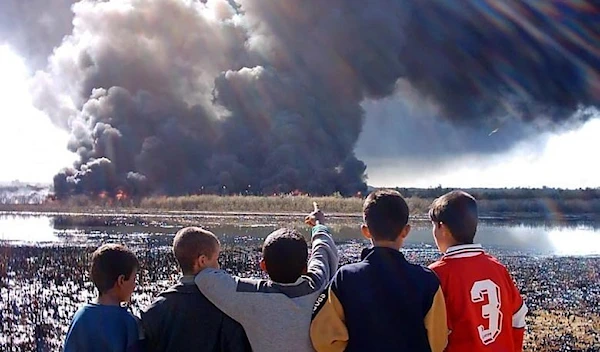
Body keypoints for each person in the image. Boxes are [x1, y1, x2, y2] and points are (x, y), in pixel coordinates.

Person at [310, 189, 448, 352]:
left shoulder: (345, 278)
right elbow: (438, 342)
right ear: (406, 231)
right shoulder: (428, 281)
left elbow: (324, 340)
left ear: (365, 231)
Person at [194, 202, 338, 352]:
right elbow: (323, 249)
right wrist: (319, 224)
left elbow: (206, 278)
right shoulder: (318, 284)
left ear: (263, 266)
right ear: (305, 268)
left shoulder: (249, 296)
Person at [428, 190, 528, 351]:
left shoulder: (437, 274)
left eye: (434, 226)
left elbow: (433, 333)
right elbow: (518, 315)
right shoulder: (497, 268)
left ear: (442, 227)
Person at [141, 227, 251, 352]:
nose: (218, 265)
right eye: (216, 259)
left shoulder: (156, 309)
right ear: (202, 261)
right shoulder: (224, 307)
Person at [63, 244, 143, 352]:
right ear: (121, 281)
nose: (135, 285)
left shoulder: (80, 317)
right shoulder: (128, 323)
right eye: (134, 279)